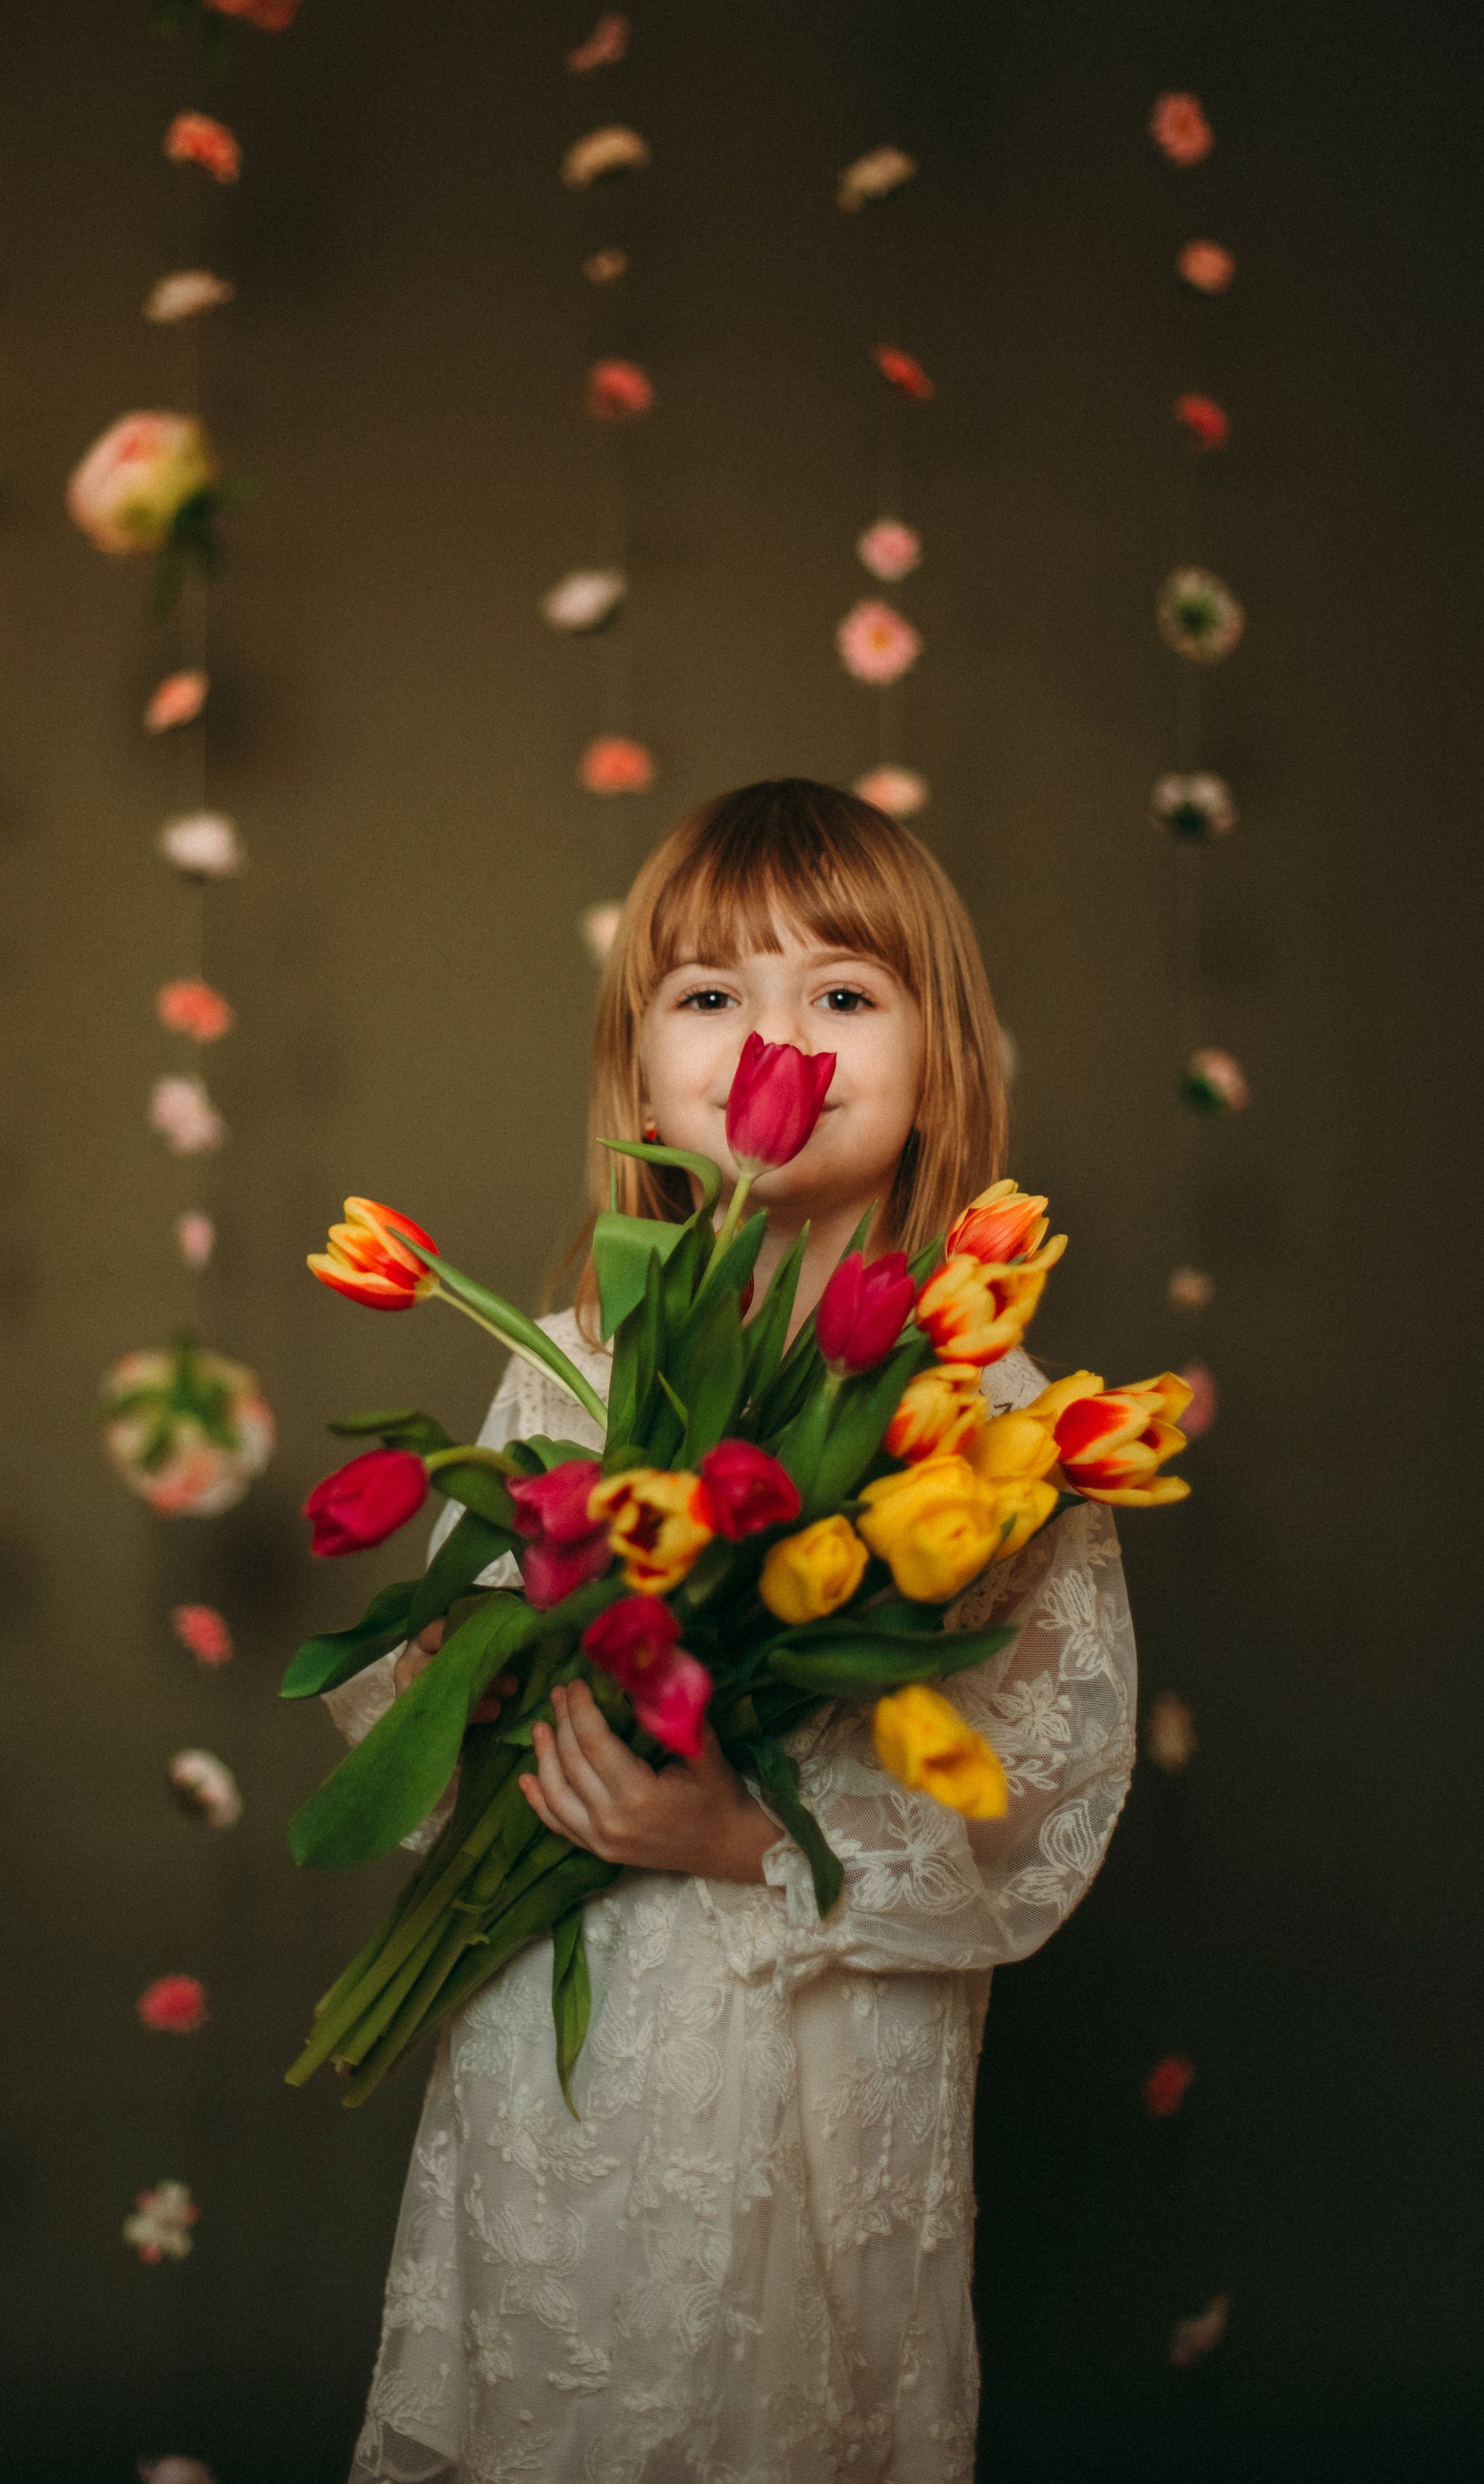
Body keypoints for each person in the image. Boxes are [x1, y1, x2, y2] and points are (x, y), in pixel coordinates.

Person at [326, 777, 1137, 2484]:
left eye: (842, 995)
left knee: (777, 2397)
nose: (779, 1039)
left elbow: (1038, 1793)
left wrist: (749, 1834)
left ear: (937, 1070)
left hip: (812, 2045)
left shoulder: (986, 1412)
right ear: (640, 1071)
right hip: (564, 2050)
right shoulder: (568, 1367)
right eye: (711, 997)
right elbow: (452, 1706)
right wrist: (470, 1691)